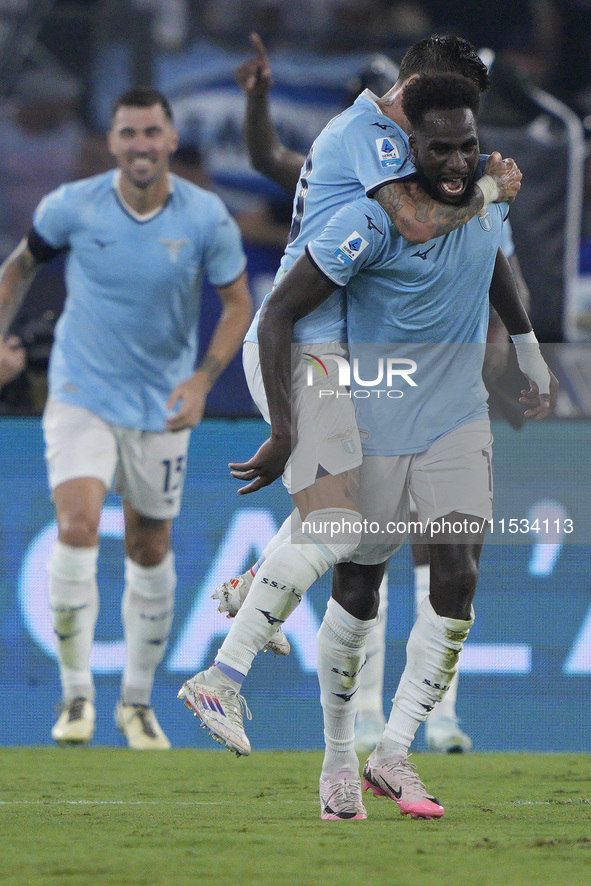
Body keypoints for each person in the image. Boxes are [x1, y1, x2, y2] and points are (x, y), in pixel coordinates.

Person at [182, 70, 556, 820]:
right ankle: (257, 700)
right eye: (437, 148)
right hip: (334, 375)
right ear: (401, 140)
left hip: (420, 402)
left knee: (418, 568)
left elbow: (492, 262)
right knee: (347, 550)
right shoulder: (371, 201)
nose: (455, 161)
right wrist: (285, 430)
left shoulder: (476, 191)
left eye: (468, 148)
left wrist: (526, 349)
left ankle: (378, 754)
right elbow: (284, 301)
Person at [0, 86, 253, 749]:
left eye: (151, 132)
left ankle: (136, 703)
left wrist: (202, 379)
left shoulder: (204, 216)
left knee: (149, 546)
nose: (140, 144)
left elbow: (236, 303)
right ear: (111, 142)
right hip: (81, 392)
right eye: (128, 133)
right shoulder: (71, 206)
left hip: (161, 404)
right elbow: (17, 269)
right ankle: (76, 695)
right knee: (77, 524)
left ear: (170, 139)